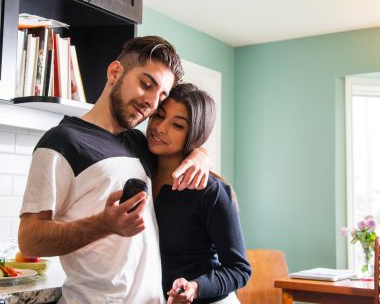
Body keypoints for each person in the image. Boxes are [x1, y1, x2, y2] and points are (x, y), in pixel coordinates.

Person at [18, 36, 211, 304]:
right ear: (115, 72)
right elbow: (29, 240)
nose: (152, 103)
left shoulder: (140, 144)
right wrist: (104, 225)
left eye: (161, 96)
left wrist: (201, 154)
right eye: (146, 84)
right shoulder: (62, 142)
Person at [147, 83, 251, 304]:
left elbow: (239, 269)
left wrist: (195, 287)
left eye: (177, 125)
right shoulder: (138, 169)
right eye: (159, 115)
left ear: (195, 133)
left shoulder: (211, 192)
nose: (161, 128)